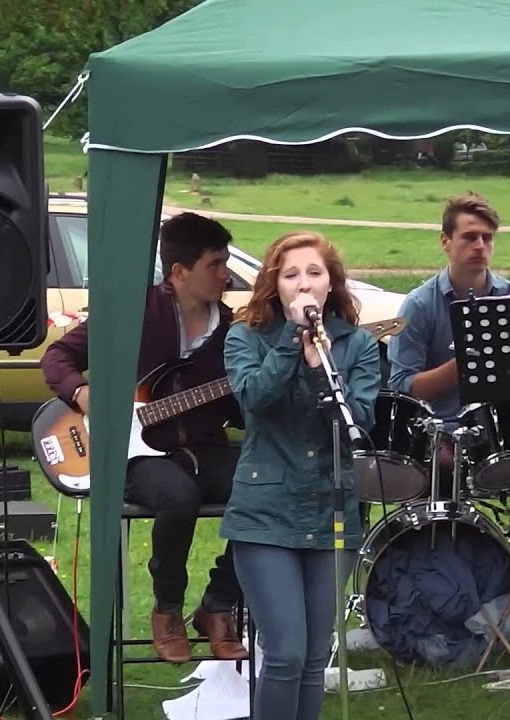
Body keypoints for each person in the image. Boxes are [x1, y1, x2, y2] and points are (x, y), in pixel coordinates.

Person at [41, 212, 247, 663]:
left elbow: (236, 409)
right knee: (178, 496)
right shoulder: (134, 312)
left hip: (205, 447)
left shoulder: (232, 328)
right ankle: (167, 609)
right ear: (179, 272)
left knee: (268, 487)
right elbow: (57, 357)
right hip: (135, 454)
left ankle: (218, 605)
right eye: (214, 264)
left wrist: (260, 389)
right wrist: (82, 393)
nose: (226, 274)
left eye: (226, 262)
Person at [221, 231, 380, 720]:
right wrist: (294, 343)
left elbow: (360, 420)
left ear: (331, 283)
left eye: (314, 273)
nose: (304, 283)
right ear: (276, 286)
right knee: (286, 652)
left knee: (313, 657)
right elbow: (254, 399)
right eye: (291, 275)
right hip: (265, 513)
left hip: (331, 508)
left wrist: (319, 369)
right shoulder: (245, 337)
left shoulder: (358, 345)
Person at [386, 193, 510, 494]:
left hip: (504, 432)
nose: (480, 246)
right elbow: (401, 386)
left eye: (487, 238)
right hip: (439, 433)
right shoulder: (419, 305)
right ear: (445, 241)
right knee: (444, 465)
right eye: (469, 237)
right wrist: (464, 364)